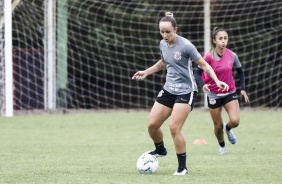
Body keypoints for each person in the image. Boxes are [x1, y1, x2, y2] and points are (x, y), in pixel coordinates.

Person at [132, 12, 229, 175]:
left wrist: (216, 81)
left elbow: (205, 65)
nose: (165, 35)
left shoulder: (186, 46)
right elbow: (163, 63)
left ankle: (182, 168)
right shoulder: (163, 44)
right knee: (152, 125)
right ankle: (160, 150)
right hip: (169, 89)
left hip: (186, 91)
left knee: (174, 127)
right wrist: (146, 72)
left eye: (168, 32)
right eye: (162, 32)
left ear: (175, 29)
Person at [194, 27, 249, 155]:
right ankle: (222, 146)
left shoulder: (232, 55)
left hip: (230, 92)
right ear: (214, 40)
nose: (223, 41)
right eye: (220, 39)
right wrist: (203, 84)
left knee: (235, 121)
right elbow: (197, 74)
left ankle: (228, 128)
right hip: (213, 94)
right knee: (217, 126)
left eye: (225, 38)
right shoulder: (208, 57)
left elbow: (241, 72)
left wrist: (243, 89)